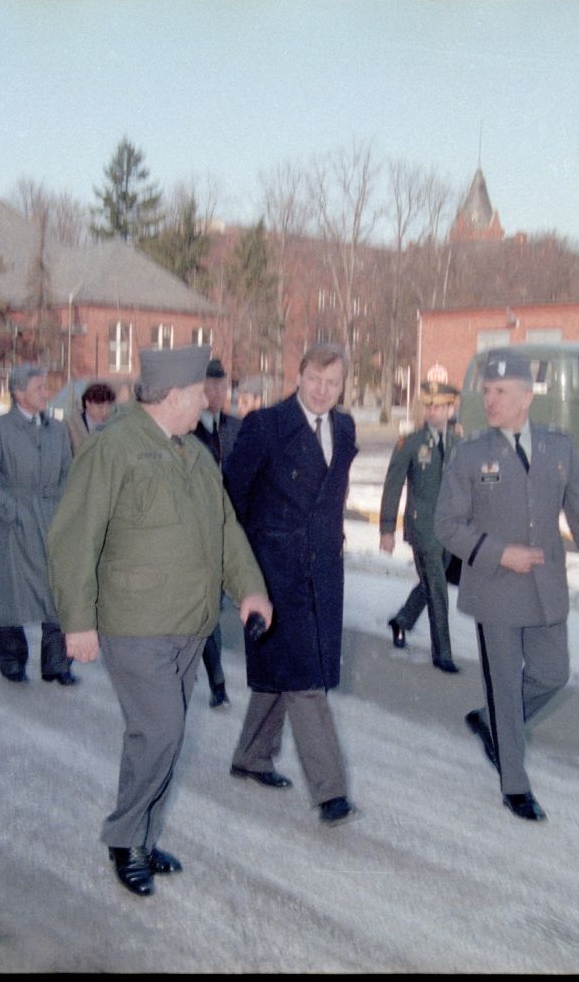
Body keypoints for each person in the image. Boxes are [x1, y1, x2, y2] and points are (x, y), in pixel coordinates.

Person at [47, 345, 272, 898]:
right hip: (134, 623)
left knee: (160, 737)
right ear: (173, 396)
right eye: (201, 392)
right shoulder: (113, 449)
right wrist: (77, 622)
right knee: (163, 730)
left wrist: (250, 590)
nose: (209, 400)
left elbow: (225, 529)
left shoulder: (192, 453)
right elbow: (73, 537)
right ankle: (124, 839)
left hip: (189, 624)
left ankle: (144, 836)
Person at [433, 348, 579, 822]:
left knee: (553, 673)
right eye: (486, 391)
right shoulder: (471, 453)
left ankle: (494, 720)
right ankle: (514, 783)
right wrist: (500, 552)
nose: (489, 400)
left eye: (499, 392)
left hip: (546, 586)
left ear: (526, 397)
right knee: (504, 685)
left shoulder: (560, 447)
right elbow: (447, 524)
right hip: (494, 587)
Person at [222, 343, 361, 827]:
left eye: (333, 383)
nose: (323, 391)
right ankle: (331, 791)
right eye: (315, 380)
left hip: (323, 568)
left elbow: (333, 497)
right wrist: (241, 569)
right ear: (298, 376)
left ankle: (253, 755)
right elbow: (231, 498)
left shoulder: (344, 428)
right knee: (305, 678)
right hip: (275, 570)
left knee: (287, 664)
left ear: (343, 386)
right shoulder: (266, 425)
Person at [0, 365, 75, 685]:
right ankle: (12, 660)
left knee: (58, 595)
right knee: (11, 596)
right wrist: (12, 509)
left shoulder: (57, 431)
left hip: (51, 521)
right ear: (18, 394)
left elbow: (69, 474)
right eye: (39, 388)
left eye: (46, 387)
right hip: (13, 526)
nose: (47, 393)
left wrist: (61, 507)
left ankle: (56, 664)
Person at [379, 379, 461, 674]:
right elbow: (393, 485)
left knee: (429, 585)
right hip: (422, 527)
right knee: (437, 587)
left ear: (452, 409)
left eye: (439, 407)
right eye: (429, 406)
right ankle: (443, 653)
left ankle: (402, 620)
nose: (433, 412)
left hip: (450, 531)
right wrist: (386, 529)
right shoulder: (411, 442)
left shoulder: (458, 442)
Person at [190, 358, 242, 709]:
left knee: (212, 608)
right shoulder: (187, 431)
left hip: (233, 531)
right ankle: (217, 680)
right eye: (210, 387)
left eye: (222, 387)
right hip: (196, 535)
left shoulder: (238, 428)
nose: (217, 394)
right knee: (206, 607)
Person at [65, 381, 117, 455]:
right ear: (88, 404)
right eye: (100, 407)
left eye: (107, 407)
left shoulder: (113, 426)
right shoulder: (70, 426)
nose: (104, 412)